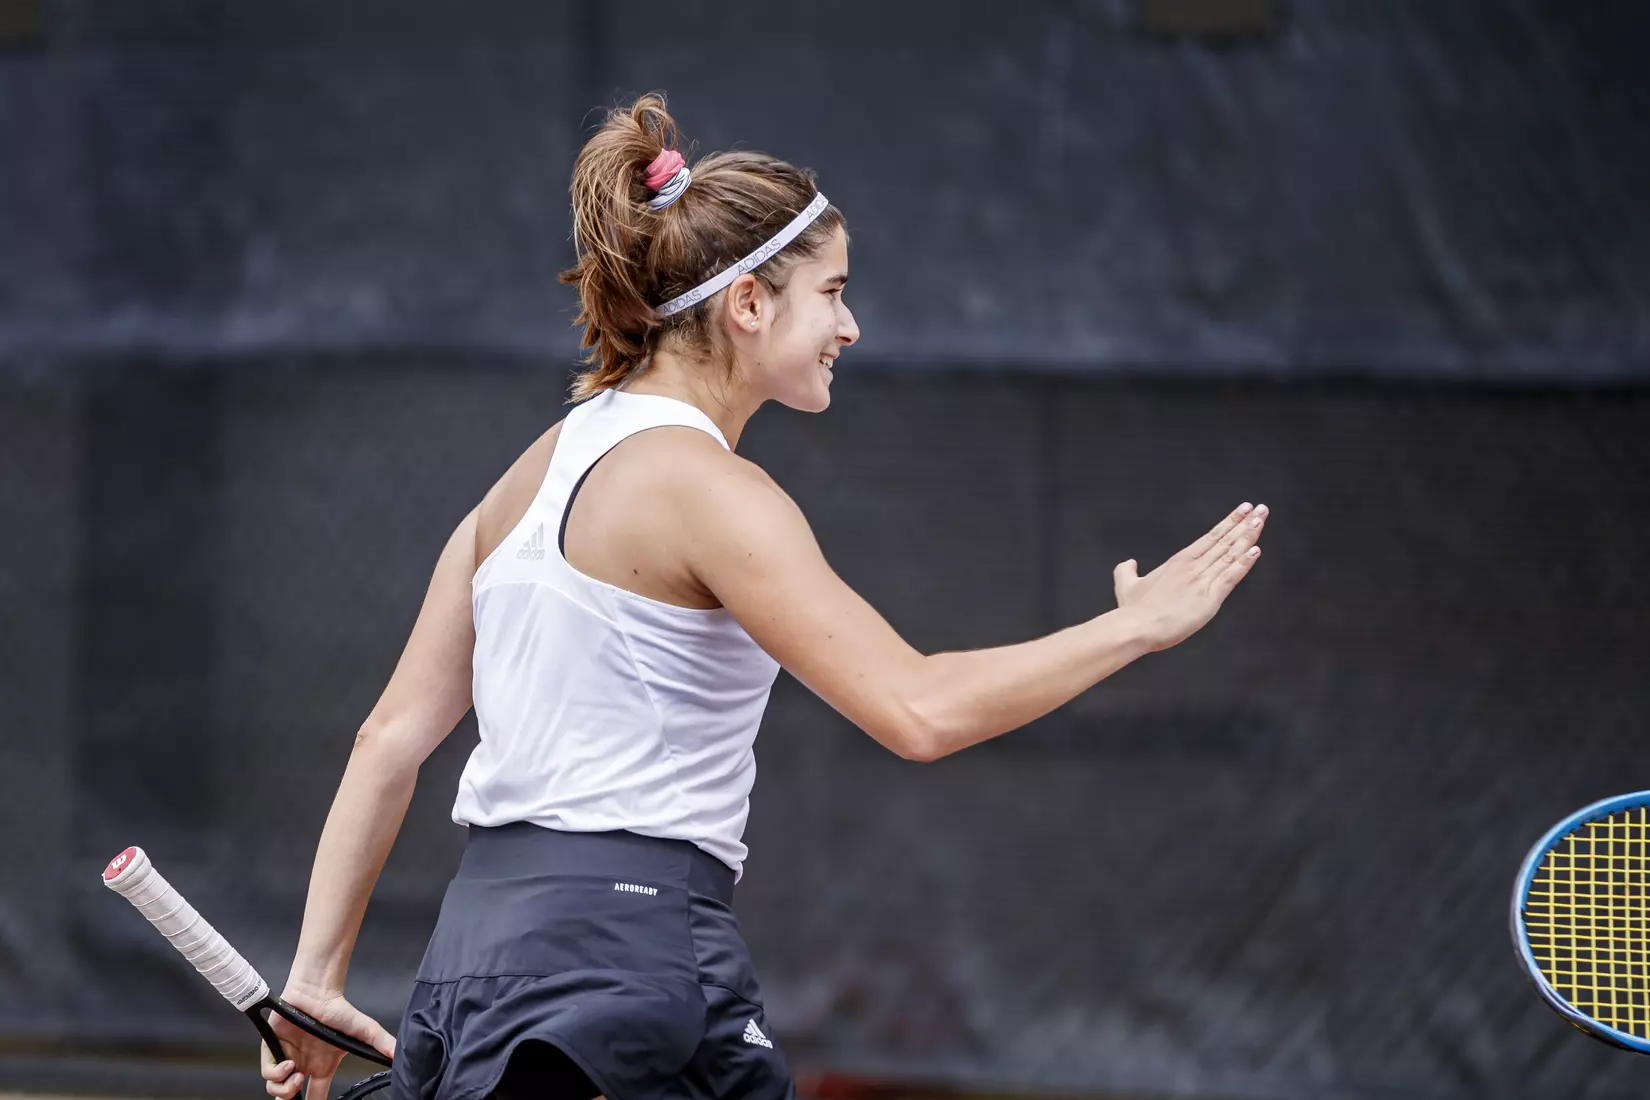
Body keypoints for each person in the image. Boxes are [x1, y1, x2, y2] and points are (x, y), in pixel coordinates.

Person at [259, 93, 1268, 1100]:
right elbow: (919, 709)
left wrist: (314, 979)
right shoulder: (714, 492)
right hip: (624, 955)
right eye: (831, 291)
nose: (851, 325)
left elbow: (388, 738)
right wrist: (1131, 627)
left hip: (472, 958)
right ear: (749, 304)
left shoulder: (523, 478)